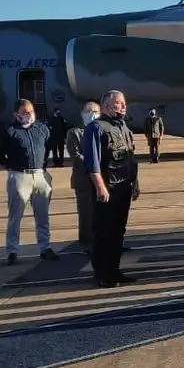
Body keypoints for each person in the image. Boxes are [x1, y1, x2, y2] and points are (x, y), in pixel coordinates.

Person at [83, 90, 141, 288]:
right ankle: (102, 274)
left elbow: (131, 159)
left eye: (124, 103)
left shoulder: (123, 126)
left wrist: (135, 183)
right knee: (103, 232)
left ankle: (115, 271)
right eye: (118, 103)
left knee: (118, 232)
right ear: (107, 105)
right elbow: (92, 163)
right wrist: (100, 188)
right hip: (107, 190)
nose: (123, 106)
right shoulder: (96, 128)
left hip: (123, 188)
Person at [0, 98, 58, 265]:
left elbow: (47, 148)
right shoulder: (9, 131)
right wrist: (13, 167)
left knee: (42, 215)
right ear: (16, 114)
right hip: (19, 175)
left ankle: (45, 247)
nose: (29, 115)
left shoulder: (42, 129)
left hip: (40, 175)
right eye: (24, 112)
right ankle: (12, 250)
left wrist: (43, 168)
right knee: (16, 215)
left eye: (31, 111)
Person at [66, 101, 100, 254]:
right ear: (82, 114)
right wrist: (93, 168)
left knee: (101, 213)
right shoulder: (74, 132)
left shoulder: (101, 131)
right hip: (84, 179)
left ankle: (103, 241)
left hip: (101, 180)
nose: (92, 114)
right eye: (89, 111)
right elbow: (75, 155)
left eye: (95, 111)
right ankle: (86, 243)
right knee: (86, 213)